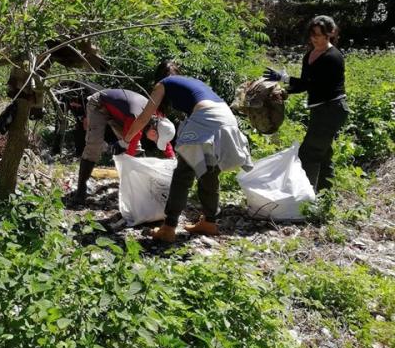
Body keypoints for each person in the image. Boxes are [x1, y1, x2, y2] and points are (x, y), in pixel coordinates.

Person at [123, 61, 253, 242]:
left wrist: (126, 139)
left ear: (159, 76)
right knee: (209, 173)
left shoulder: (163, 84)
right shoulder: (191, 82)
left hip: (206, 117)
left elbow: (144, 117)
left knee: (183, 175)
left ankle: (168, 227)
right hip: (227, 118)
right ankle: (209, 221)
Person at [263, 15, 348, 191]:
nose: (314, 38)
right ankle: (325, 194)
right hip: (320, 110)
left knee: (309, 153)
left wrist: (285, 78)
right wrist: (285, 91)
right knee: (323, 153)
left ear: (330, 34)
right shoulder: (310, 55)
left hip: (331, 110)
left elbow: (315, 85)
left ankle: (305, 196)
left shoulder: (333, 57)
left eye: (319, 34)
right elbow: (303, 84)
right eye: (312, 34)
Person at [73, 88, 176, 204]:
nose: (156, 143)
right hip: (99, 104)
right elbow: (128, 155)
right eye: (157, 141)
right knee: (94, 145)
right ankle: (80, 190)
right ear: (153, 133)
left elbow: (164, 136)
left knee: (135, 149)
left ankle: (142, 188)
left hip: (120, 111)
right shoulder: (136, 120)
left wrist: (172, 158)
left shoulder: (159, 119)